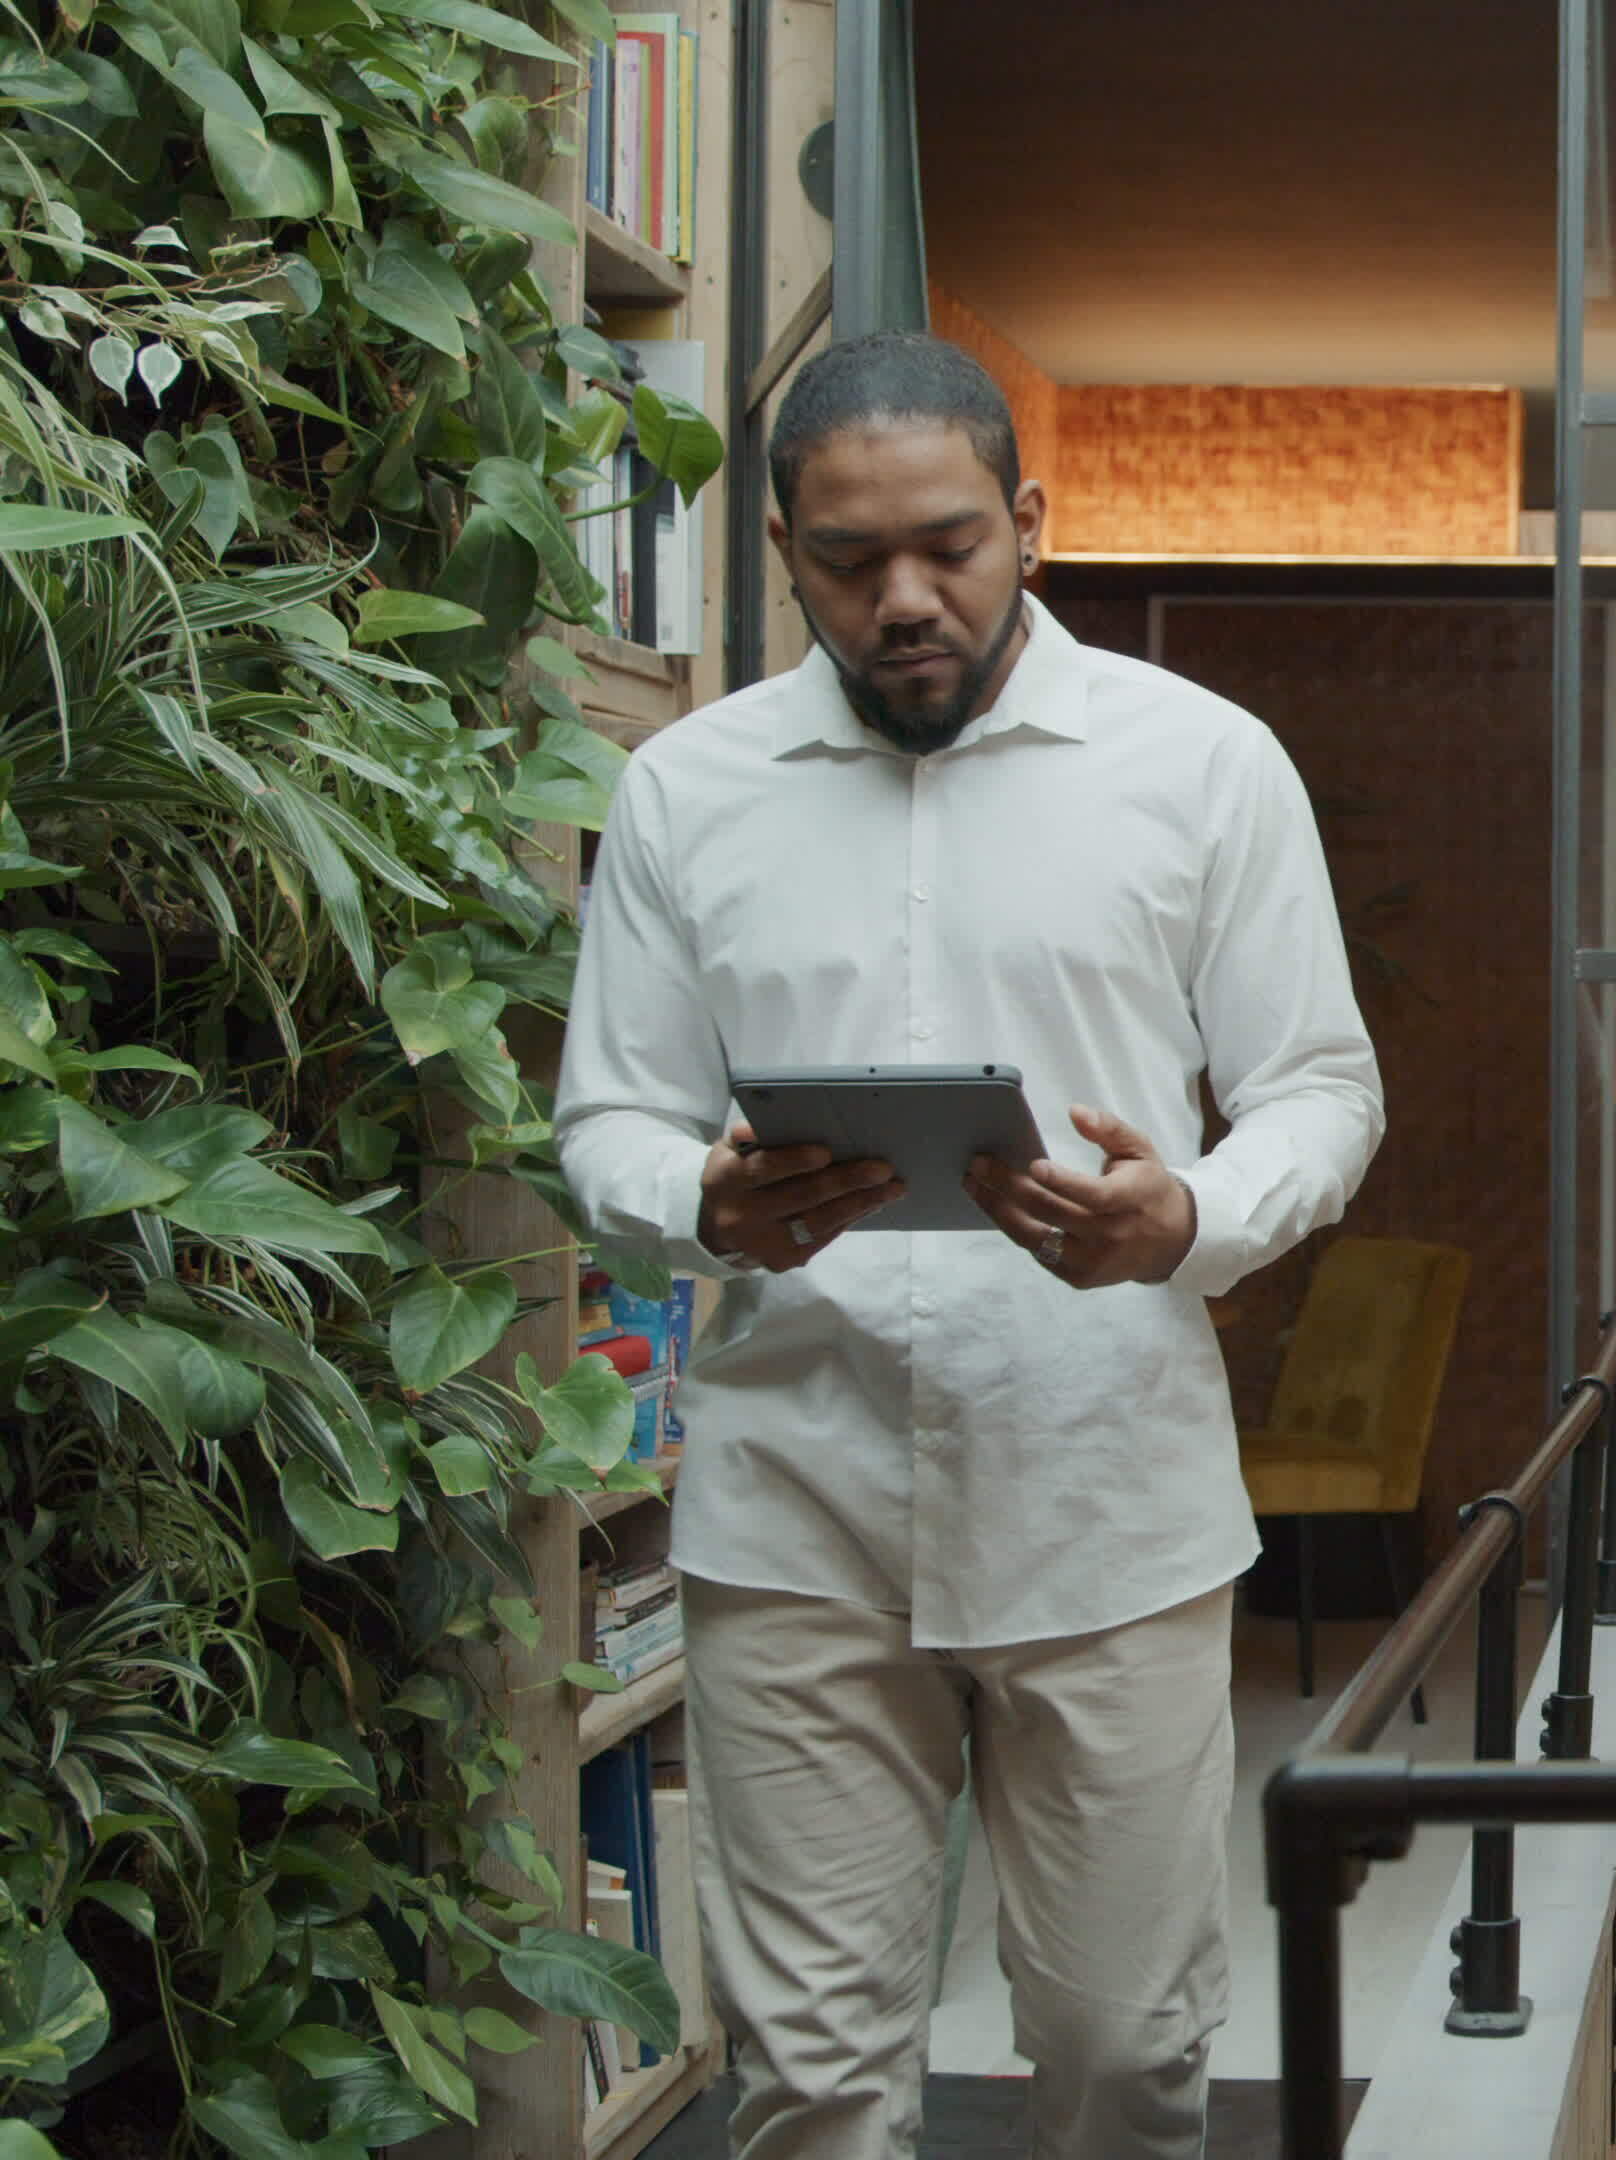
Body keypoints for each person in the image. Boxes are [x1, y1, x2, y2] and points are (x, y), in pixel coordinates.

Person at [556, 330, 1384, 2158]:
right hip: (796, 1511)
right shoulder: (688, 791)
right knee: (818, 2085)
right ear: (783, 552)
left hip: (1108, 1497)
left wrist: (1192, 1218)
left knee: (1125, 2056)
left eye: (949, 545)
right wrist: (696, 1199)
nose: (904, 598)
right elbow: (605, 1115)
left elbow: (1322, 1089)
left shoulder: (1204, 767)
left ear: (1030, 520)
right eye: (851, 563)